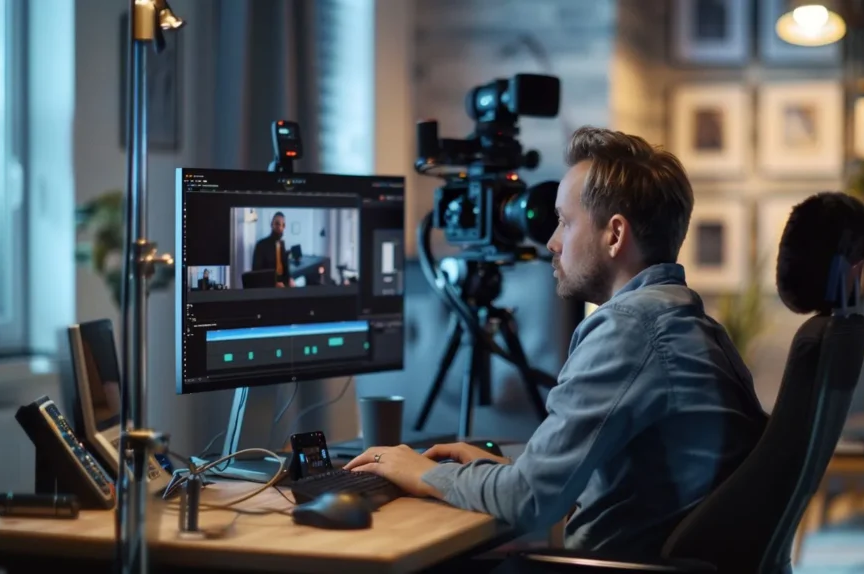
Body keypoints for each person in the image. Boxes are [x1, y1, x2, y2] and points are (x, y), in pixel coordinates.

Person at [344, 126, 768, 559]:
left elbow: (529, 502)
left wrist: (419, 473)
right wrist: (501, 473)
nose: (552, 241)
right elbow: (578, 481)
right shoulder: (690, 323)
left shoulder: (629, 329)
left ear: (615, 234)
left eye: (565, 221)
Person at [252, 211, 294, 287]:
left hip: (283, 285)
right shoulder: (261, 245)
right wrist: (274, 283)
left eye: (283, 225)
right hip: (268, 286)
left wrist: (290, 279)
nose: (280, 227)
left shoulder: (282, 244)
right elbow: (256, 273)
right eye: (277, 224)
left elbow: (285, 268)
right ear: (272, 224)